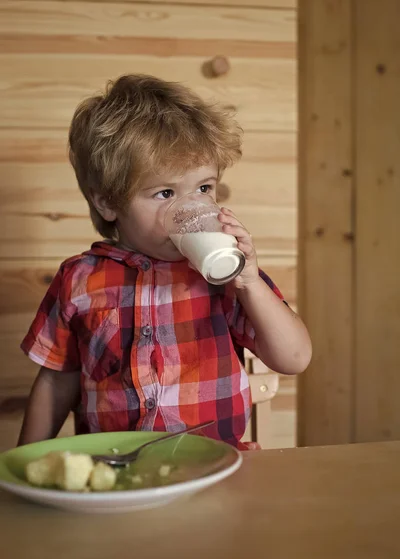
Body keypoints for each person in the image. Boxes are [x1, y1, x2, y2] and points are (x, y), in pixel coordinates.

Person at [18, 74, 312, 449]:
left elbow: (295, 358)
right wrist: (19, 467)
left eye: (204, 188)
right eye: (165, 192)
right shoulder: (80, 279)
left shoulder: (227, 278)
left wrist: (249, 282)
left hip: (216, 466)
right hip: (117, 472)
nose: (191, 208)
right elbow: (56, 379)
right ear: (107, 202)